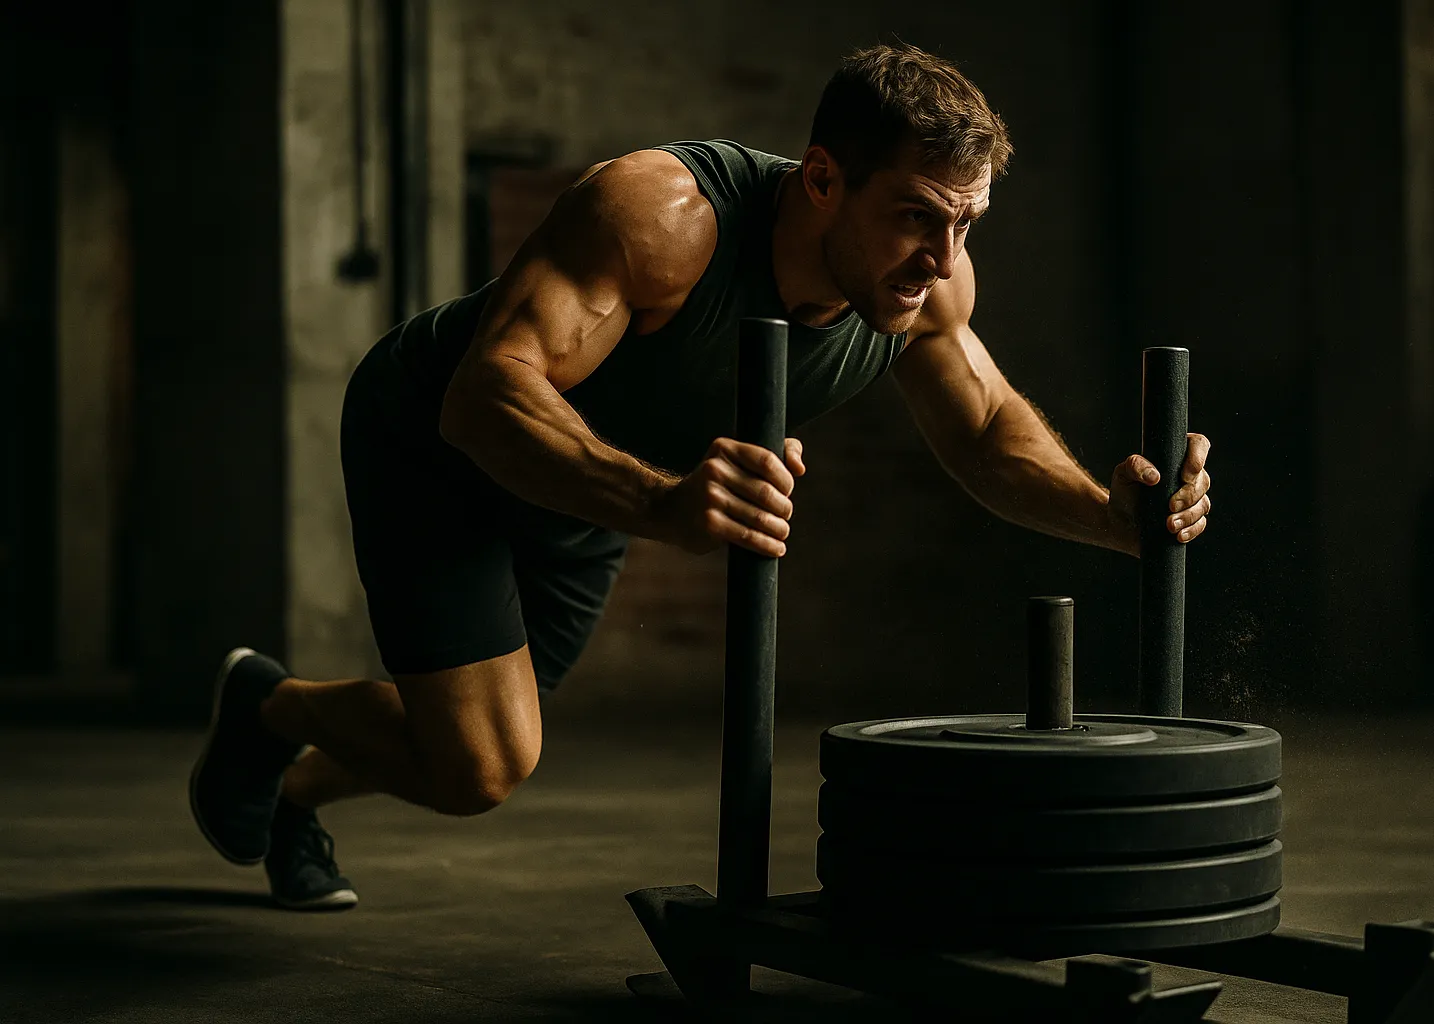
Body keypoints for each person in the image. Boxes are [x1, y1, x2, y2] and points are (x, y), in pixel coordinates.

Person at [188, 42, 1213, 910]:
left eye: (966, 224)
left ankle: (279, 748)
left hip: (591, 488)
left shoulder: (926, 282)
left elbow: (986, 429)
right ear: (822, 180)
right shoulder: (663, 216)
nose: (943, 259)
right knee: (484, 764)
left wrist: (1112, 517)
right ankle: (274, 718)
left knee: (469, 749)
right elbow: (486, 396)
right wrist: (661, 504)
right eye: (914, 216)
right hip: (439, 443)